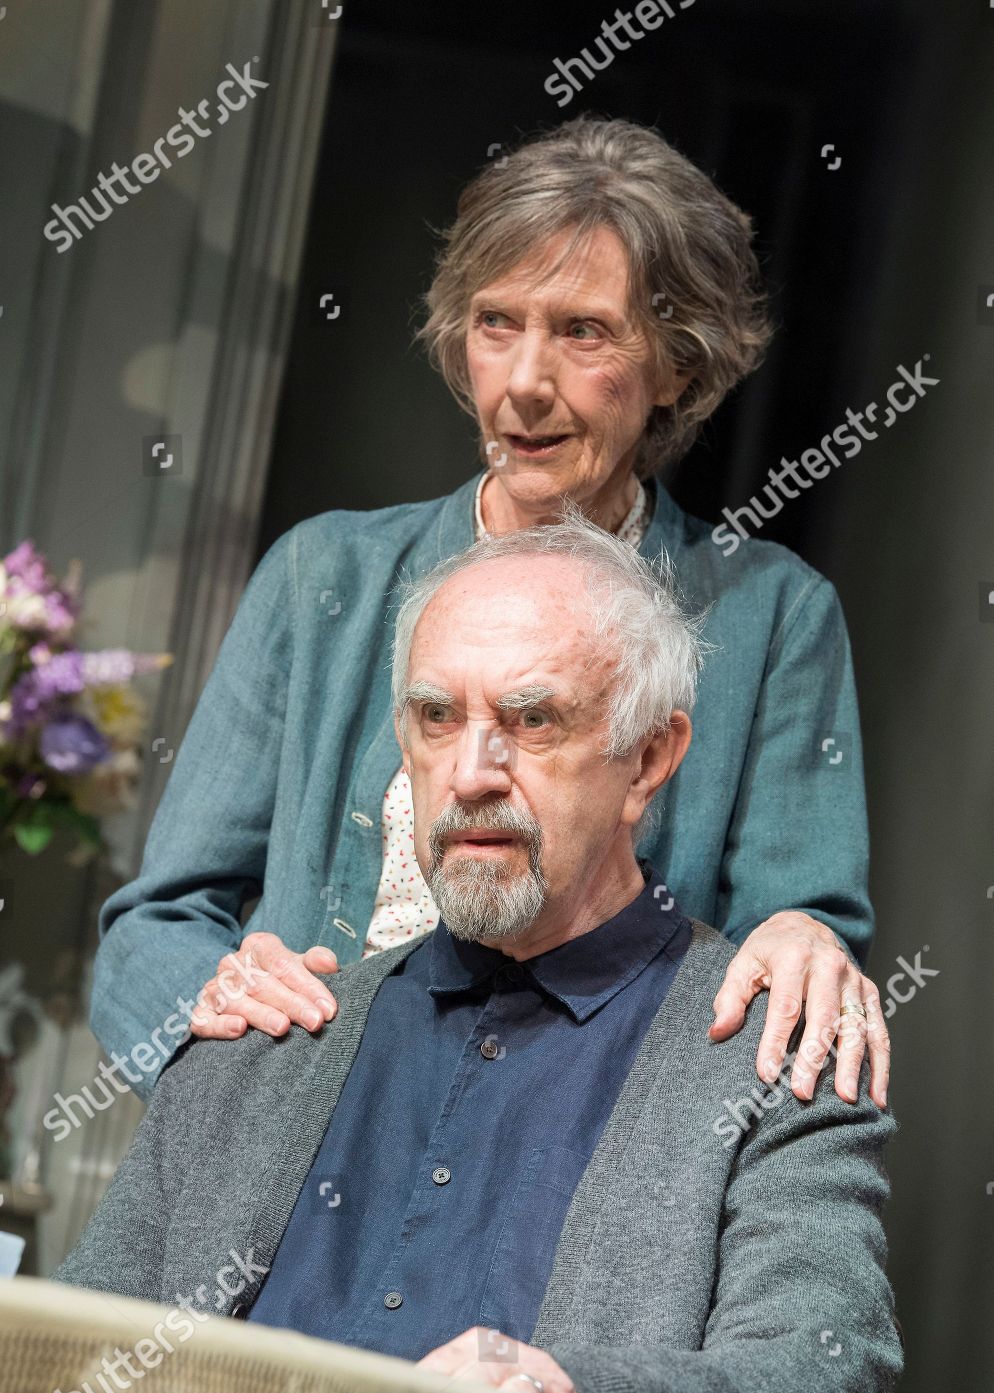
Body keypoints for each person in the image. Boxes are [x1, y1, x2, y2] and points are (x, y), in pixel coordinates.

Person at [54, 514, 902, 1393]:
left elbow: (823, 1384)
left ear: (650, 759)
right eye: (435, 718)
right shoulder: (261, 1035)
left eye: (533, 721)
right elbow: (63, 1369)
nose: (469, 774)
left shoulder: (769, 1058)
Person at [89, 113, 889, 1109]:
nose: (523, 383)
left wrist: (796, 936)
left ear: (679, 365)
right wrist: (221, 1049)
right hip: (296, 1147)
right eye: (495, 322)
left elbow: (798, 949)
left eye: (583, 331)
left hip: (566, 1172)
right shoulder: (322, 576)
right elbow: (157, 927)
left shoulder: (772, 618)